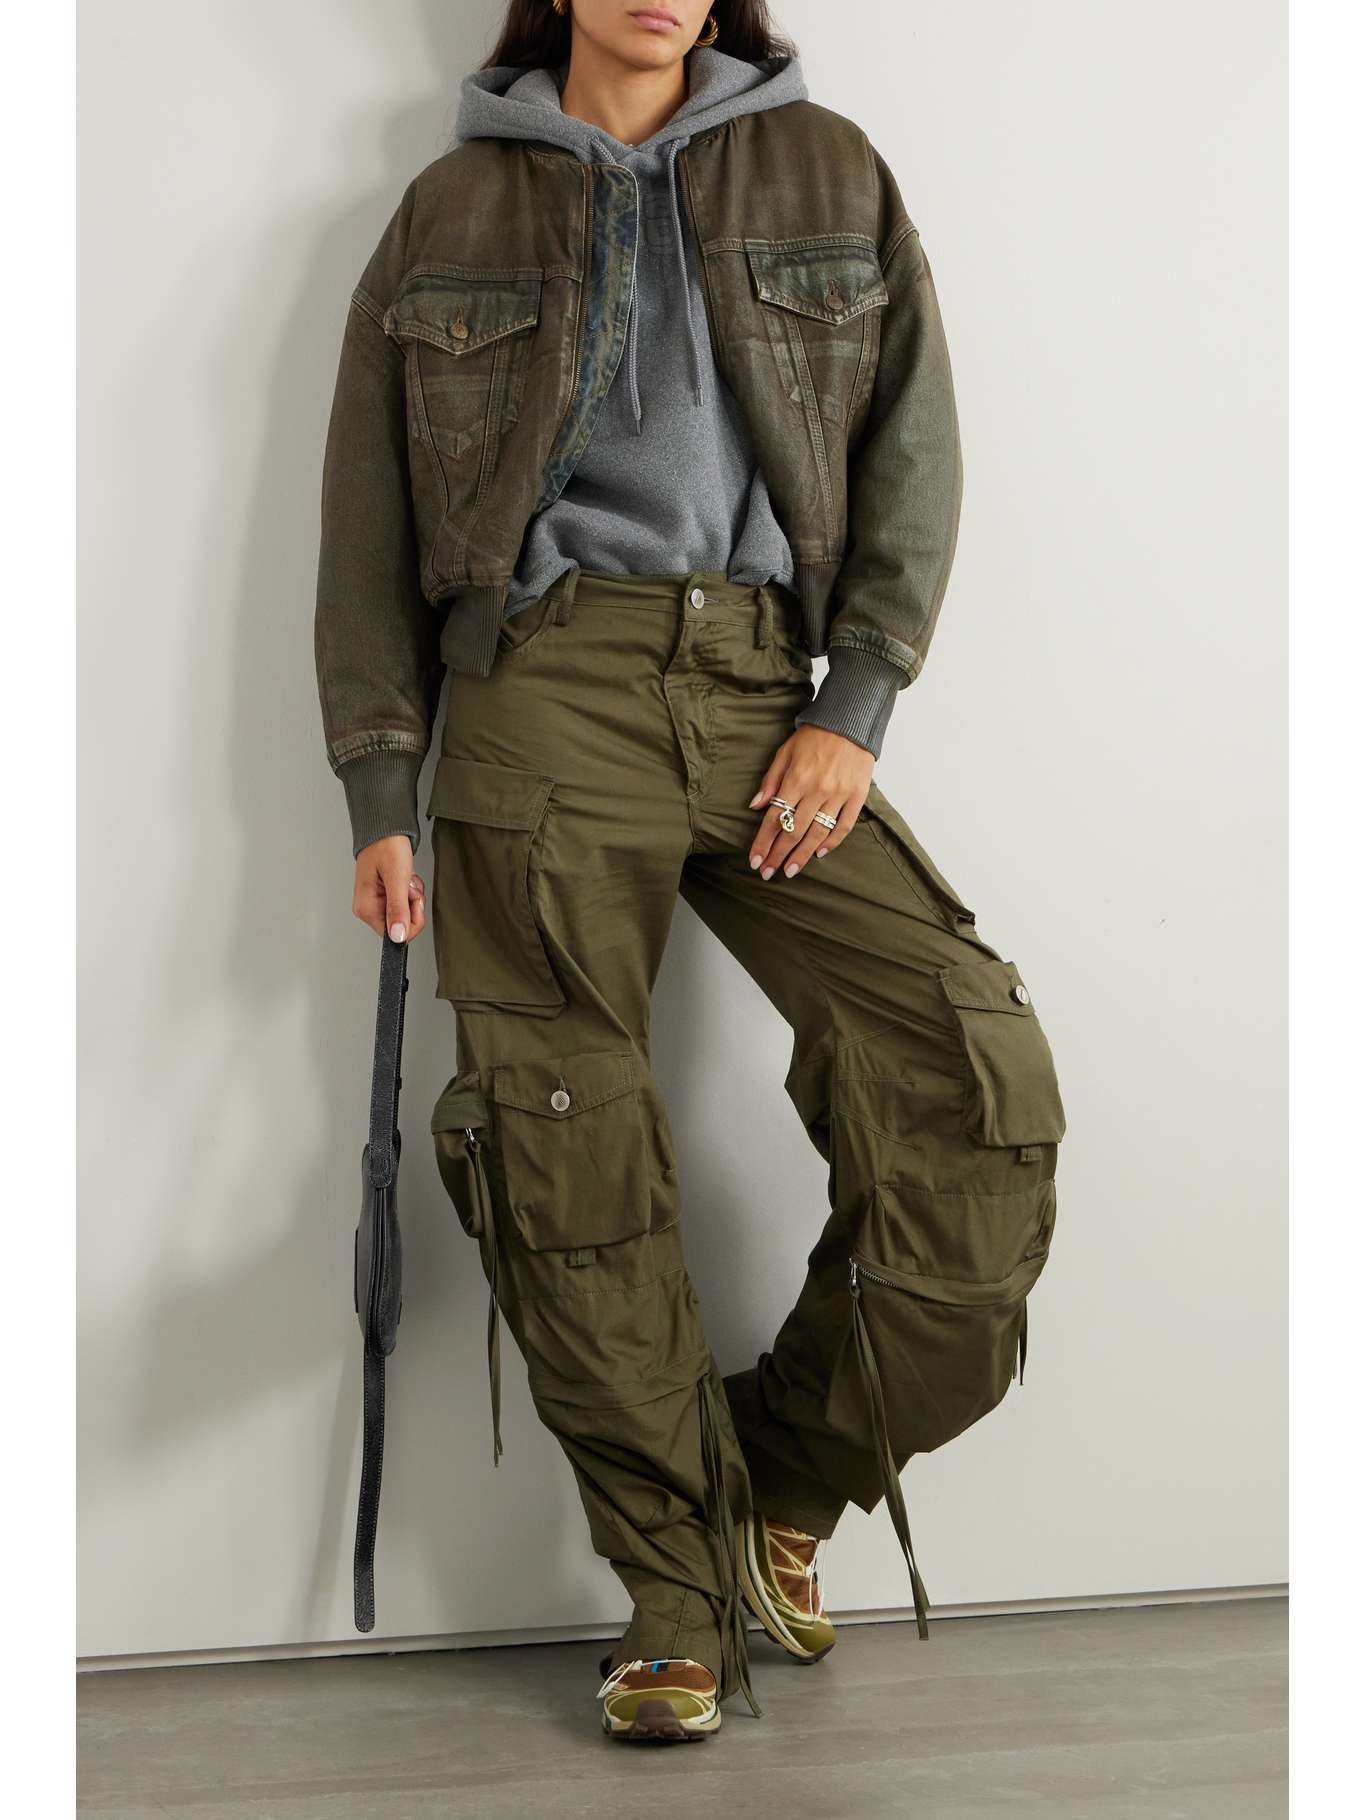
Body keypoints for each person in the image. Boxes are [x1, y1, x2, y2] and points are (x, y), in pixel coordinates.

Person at [314, 0, 1066, 1744]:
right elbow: (364, 522)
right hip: (535, 704)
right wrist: (379, 781)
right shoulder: (449, 209)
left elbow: (911, 449)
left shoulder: (827, 170)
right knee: (561, 1148)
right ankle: (671, 1596)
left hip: (760, 693)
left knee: (968, 1086)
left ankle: (772, 1492)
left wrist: (852, 709)